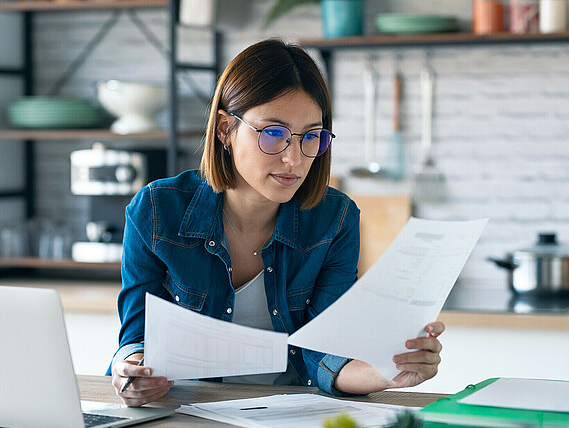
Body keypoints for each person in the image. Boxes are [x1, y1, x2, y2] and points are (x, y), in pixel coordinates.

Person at [109, 39, 444, 407]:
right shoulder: (157, 211)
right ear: (225, 129)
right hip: (188, 412)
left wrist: (388, 371)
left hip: (290, 414)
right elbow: (137, 339)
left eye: (311, 137)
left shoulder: (335, 220)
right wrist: (133, 372)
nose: (294, 159)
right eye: (273, 133)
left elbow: (325, 355)